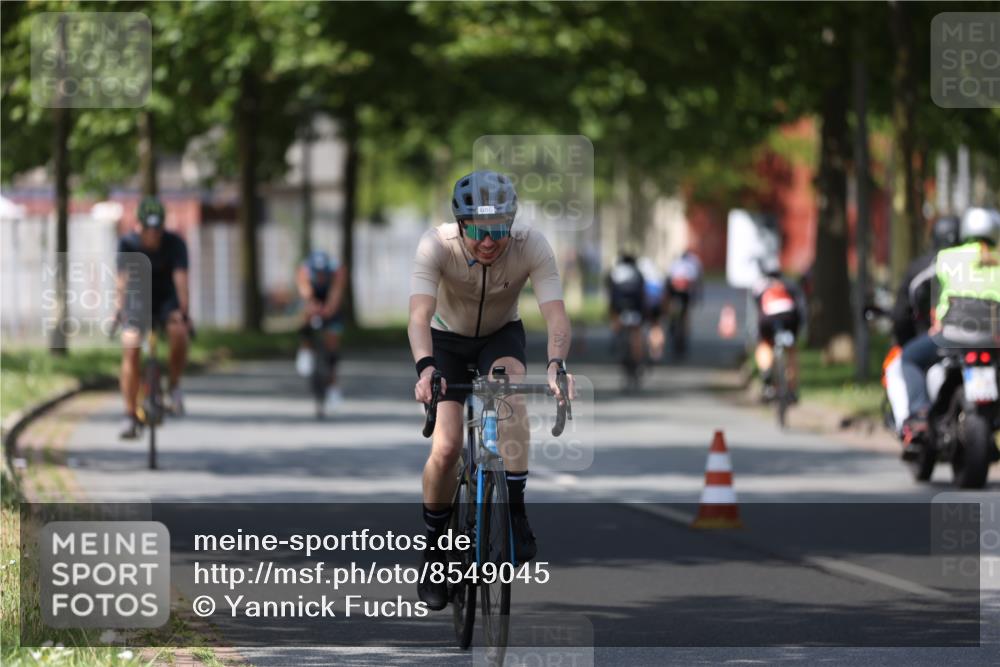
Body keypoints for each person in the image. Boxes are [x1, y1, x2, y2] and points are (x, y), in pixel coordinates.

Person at [409, 169, 574, 610]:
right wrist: (425, 368)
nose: (489, 241)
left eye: (499, 228)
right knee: (445, 448)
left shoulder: (531, 245)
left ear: (512, 222)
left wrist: (556, 365)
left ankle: (515, 513)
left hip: (500, 336)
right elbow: (419, 315)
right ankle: (433, 547)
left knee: (510, 396)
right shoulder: (435, 245)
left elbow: (556, 317)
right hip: (445, 340)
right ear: (461, 224)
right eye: (478, 231)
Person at [894, 207, 1000, 450]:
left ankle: (920, 412)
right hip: (993, 338)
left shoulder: (947, 258)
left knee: (909, 358)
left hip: (952, 336)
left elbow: (923, 289)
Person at [116, 196, 192, 439]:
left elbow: (181, 280)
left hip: (166, 299)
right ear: (138, 226)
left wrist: (184, 311)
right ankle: (129, 414)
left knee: (179, 333)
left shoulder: (176, 244)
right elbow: (123, 280)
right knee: (131, 347)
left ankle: (174, 385)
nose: (152, 235)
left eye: (157, 229)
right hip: (138, 300)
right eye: (147, 230)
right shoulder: (127, 243)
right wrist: (119, 308)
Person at [884, 216, 960, 434]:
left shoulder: (925, 267)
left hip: (946, 336)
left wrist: (904, 339)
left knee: (908, 357)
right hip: (987, 337)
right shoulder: (979, 263)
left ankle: (919, 414)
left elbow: (901, 314)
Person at [295, 249, 348, 412]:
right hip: (314, 295)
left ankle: (333, 385)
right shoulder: (304, 270)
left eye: (322, 273)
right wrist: (312, 306)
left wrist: (329, 310)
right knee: (305, 314)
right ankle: (305, 349)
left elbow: (336, 295)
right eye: (317, 273)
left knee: (332, 339)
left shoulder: (337, 271)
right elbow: (306, 293)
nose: (320, 276)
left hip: (329, 295)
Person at [752, 257, 803, 402]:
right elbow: (799, 306)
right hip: (789, 318)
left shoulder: (760, 285)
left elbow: (758, 307)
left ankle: (766, 372)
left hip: (767, 319)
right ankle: (792, 389)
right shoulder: (789, 284)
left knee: (765, 344)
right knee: (791, 350)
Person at [606, 253, 646, 371]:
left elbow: (610, 292)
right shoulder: (638, 273)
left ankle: (615, 340)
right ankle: (638, 359)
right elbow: (642, 294)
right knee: (636, 331)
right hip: (635, 306)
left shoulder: (615, 272)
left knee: (616, 320)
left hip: (618, 306)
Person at [663, 249, 703, 357]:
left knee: (675, 308)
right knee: (685, 313)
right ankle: (683, 328)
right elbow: (696, 282)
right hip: (685, 291)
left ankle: (672, 321)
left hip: (676, 290)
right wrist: (697, 297)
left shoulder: (675, 263)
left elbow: (668, 280)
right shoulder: (693, 262)